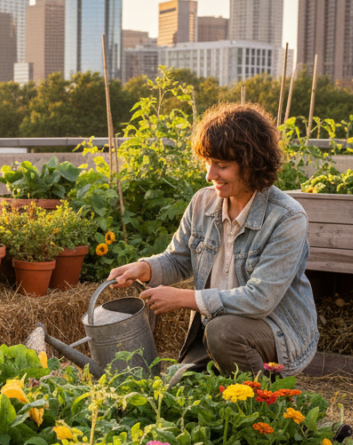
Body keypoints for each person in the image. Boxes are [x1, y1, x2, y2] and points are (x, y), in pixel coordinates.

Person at [107, 102, 318, 377]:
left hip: (273, 330)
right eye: (208, 163)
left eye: (222, 165)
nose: (210, 175)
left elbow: (260, 300)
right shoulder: (203, 202)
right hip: (213, 331)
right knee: (175, 387)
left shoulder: (287, 217)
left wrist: (185, 298)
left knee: (223, 332)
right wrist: (144, 268)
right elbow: (178, 259)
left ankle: (264, 400)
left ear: (252, 164)